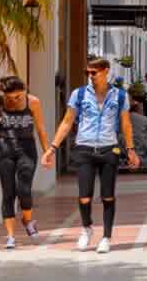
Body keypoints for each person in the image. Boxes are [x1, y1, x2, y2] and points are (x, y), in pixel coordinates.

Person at [43, 58, 140, 254]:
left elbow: (126, 124)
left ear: (105, 71)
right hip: (85, 149)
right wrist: (52, 148)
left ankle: (106, 237)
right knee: (84, 196)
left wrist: (130, 149)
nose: (90, 76)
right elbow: (67, 122)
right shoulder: (78, 94)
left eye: (93, 73)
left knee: (108, 196)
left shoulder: (120, 95)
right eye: (87, 73)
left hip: (108, 149)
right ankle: (87, 228)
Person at [0, 77, 44, 249]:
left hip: (27, 150)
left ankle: (28, 220)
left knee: (24, 189)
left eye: (17, 97)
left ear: (24, 90)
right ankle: (10, 236)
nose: (14, 101)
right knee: (8, 192)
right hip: (3, 150)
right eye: (10, 98)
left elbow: (40, 128)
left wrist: (48, 152)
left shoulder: (33, 102)